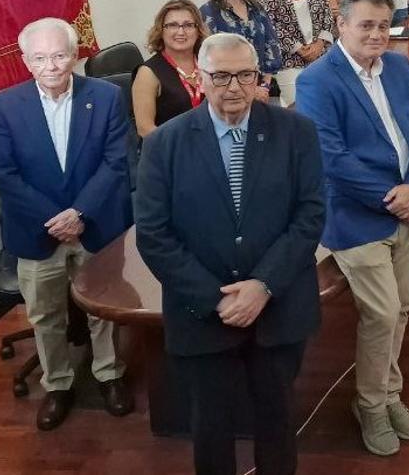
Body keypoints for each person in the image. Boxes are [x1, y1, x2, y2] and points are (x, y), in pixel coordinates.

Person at [135, 33, 325, 475]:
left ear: (259, 77)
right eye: (221, 76)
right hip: (202, 314)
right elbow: (154, 234)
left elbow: (310, 215)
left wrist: (263, 285)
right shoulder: (164, 143)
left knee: (278, 419)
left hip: (278, 308)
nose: (234, 87)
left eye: (245, 75)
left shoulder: (297, 132)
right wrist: (215, 299)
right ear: (199, 79)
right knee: (211, 424)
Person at [295, 0, 409, 457]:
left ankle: (389, 395)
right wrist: (392, 198)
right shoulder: (317, 80)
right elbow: (330, 158)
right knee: (381, 313)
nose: (377, 34)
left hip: (408, 207)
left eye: (383, 25)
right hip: (356, 217)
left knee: (401, 308)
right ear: (342, 24)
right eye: (366, 25)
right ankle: (371, 405)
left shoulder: (398, 66)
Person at [0, 18, 134, 431]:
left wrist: (79, 213)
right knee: (46, 314)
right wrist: (55, 219)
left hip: (96, 226)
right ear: (25, 61)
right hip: (37, 231)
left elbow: (116, 162)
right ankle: (58, 384)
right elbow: (4, 174)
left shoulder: (106, 96)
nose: (50, 66)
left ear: (74, 55)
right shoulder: (3, 106)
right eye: (39, 58)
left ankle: (109, 374)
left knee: (103, 310)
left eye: (58, 55)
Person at [258, 0, 336, 106]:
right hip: (289, 58)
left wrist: (319, 44)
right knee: (298, 106)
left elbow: (327, 15)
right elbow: (270, 22)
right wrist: (298, 48)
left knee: (324, 104)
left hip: (320, 55)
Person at [201, 0, 283, 102]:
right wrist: (249, 89)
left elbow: (272, 47)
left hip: (264, 90)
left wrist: (264, 86)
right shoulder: (207, 13)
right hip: (229, 91)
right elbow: (210, 59)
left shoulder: (257, 9)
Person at [133, 0, 210, 138]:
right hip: (169, 147)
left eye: (188, 25)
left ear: (198, 30)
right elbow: (145, 129)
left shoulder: (209, 64)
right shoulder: (148, 72)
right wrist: (181, 147)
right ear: (161, 31)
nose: (181, 32)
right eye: (173, 25)